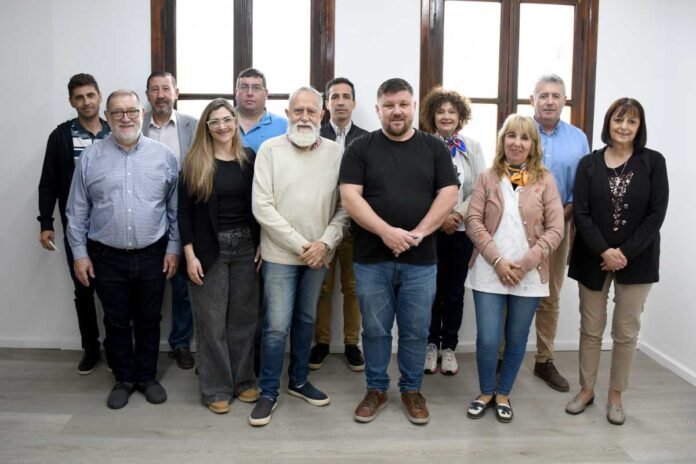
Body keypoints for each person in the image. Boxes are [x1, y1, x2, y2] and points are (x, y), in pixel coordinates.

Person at [340, 78, 458, 425]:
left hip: (420, 259)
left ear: (413, 107)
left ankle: (411, 390)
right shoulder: (360, 148)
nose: (397, 111)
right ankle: (376, 389)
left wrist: (418, 233)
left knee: (415, 331)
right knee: (375, 330)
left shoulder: (433, 148)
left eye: (403, 104)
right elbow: (350, 197)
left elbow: (449, 194)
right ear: (378, 109)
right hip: (371, 258)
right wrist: (386, 232)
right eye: (389, 105)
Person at [66, 89, 180, 410]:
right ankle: (124, 379)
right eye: (117, 112)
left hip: (153, 253)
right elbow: (77, 211)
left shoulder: (164, 157)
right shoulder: (91, 157)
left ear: (142, 114)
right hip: (106, 256)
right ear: (108, 116)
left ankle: (147, 377)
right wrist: (80, 254)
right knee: (115, 321)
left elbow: (174, 209)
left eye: (131, 111)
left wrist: (173, 248)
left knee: (149, 319)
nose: (125, 118)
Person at [249, 86, 348, 426]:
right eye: (298, 111)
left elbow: (345, 208)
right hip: (280, 254)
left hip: (319, 255)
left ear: (322, 115)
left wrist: (325, 243)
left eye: (311, 111)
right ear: (288, 114)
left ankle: (299, 381)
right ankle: (268, 392)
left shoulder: (336, 153)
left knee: (306, 320)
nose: (304, 117)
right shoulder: (269, 150)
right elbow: (262, 207)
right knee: (276, 327)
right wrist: (302, 246)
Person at [565, 98, 668, 425]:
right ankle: (586, 390)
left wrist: (624, 253)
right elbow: (581, 213)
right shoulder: (588, 164)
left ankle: (615, 395)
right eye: (618, 120)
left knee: (626, 331)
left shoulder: (653, 162)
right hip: (591, 257)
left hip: (637, 260)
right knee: (590, 329)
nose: (624, 127)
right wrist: (604, 251)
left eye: (631, 121)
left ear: (640, 127)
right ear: (608, 123)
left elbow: (656, 213)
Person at [464, 114, 563, 423]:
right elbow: (473, 221)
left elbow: (556, 229)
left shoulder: (545, 180)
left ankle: (503, 393)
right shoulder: (487, 177)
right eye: (511, 136)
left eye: (524, 137)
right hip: (489, 269)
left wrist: (525, 263)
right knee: (488, 338)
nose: (517, 143)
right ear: (502, 140)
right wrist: (497, 260)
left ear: (533, 144)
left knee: (517, 338)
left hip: (528, 275)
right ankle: (486, 392)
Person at [178, 98, 261, 415]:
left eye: (227, 119)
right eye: (215, 121)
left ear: (235, 122)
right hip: (208, 250)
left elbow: (259, 205)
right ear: (207, 127)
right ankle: (216, 387)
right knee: (211, 322)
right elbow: (183, 213)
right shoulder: (194, 162)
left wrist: (262, 243)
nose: (223, 126)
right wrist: (189, 255)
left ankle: (243, 381)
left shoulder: (248, 158)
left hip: (246, 247)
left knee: (243, 319)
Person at [37, 73, 110, 375]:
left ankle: (115, 348)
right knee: (84, 290)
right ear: (71, 101)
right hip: (77, 229)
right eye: (79, 97)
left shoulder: (115, 130)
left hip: (110, 230)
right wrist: (46, 222)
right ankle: (90, 348)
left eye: (90, 95)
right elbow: (48, 183)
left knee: (113, 292)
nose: (86, 102)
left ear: (99, 96)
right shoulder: (60, 136)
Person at [529, 74, 589, 392]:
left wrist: (557, 220)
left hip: (560, 226)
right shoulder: (519, 131)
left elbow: (581, 187)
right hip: (518, 227)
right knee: (511, 292)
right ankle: (501, 358)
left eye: (556, 95)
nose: (550, 101)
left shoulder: (578, 139)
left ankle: (544, 360)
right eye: (544, 95)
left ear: (564, 101)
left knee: (549, 295)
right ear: (532, 100)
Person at [419, 87, 486, 376]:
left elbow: (480, 188)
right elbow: (419, 188)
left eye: (452, 111)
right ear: (432, 116)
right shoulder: (422, 145)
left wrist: (457, 214)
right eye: (441, 111)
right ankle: (430, 344)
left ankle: (449, 347)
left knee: (455, 292)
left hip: (461, 232)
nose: (446, 116)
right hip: (432, 232)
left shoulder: (472, 146)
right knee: (430, 291)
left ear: (460, 116)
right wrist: (441, 217)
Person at [309, 77, 368, 372]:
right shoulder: (313, 135)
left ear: (354, 103)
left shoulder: (368, 139)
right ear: (327, 103)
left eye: (346, 96)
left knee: (353, 289)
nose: (341, 102)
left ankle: (351, 344)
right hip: (322, 225)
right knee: (322, 287)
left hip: (357, 228)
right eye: (335, 96)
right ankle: (320, 343)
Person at [143, 71, 198, 370]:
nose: (161, 94)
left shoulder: (193, 125)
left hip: (185, 216)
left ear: (176, 92)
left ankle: (180, 343)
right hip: (146, 218)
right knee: (145, 286)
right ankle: (144, 345)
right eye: (155, 89)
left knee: (183, 288)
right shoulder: (135, 124)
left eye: (166, 88)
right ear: (147, 95)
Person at [234, 67, 288, 152]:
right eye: (244, 87)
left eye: (256, 88)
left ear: (266, 94)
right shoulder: (221, 123)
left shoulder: (284, 126)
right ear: (236, 92)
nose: (250, 93)